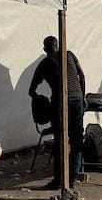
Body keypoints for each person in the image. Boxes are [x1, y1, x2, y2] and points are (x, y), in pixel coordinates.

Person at [28, 36, 87, 189]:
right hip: (77, 100)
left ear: (44, 49)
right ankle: (73, 178)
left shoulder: (44, 64)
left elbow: (31, 90)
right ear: (58, 45)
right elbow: (82, 76)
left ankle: (58, 181)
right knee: (76, 140)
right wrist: (83, 96)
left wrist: (39, 100)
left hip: (59, 103)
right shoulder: (69, 55)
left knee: (60, 141)